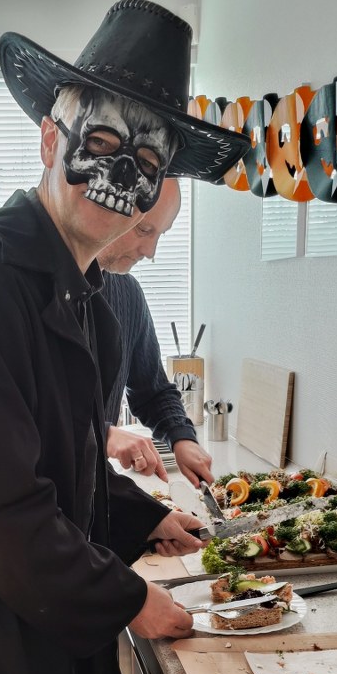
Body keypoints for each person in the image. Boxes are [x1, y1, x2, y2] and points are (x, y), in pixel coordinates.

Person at [0, 0, 249, 674]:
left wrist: (145, 516)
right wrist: (129, 599)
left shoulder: (89, 299)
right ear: (50, 140)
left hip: (39, 624)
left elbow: (68, 466)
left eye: (147, 163)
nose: (120, 174)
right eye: (101, 141)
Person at [99, 177, 214, 488]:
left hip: (92, 487)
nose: (150, 251)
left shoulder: (127, 293)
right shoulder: (35, 290)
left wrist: (181, 437)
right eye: (143, 230)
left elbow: (151, 390)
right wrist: (104, 434)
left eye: (160, 234)